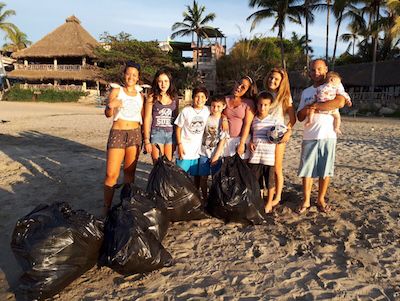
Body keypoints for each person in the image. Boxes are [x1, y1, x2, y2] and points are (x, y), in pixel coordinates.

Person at [297, 59, 346, 214]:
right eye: (313, 70)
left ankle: (320, 199)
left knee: (325, 170)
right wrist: (308, 108)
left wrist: (315, 106)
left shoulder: (334, 84)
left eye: (319, 69)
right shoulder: (306, 92)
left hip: (328, 134)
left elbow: (339, 102)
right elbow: (299, 116)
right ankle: (306, 200)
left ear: (325, 69)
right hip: (309, 135)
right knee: (307, 170)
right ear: (309, 72)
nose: (316, 73)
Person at [103, 61, 144, 212]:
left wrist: (145, 139)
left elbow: (144, 117)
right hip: (118, 133)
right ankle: (106, 207)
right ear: (124, 75)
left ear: (138, 77)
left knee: (129, 173)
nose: (131, 77)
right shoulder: (117, 91)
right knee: (111, 174)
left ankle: (125, 205)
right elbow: (108, 114)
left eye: (134, 75)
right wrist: (110, 106)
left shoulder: (141, 96)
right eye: (128, 74)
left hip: (135, 134)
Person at [264, 67, 296, 212]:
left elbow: (292, 118)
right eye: (271, 77)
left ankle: (278, 196)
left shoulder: (285, 97)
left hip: (278, 135)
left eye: (276, 79)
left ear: (282, 82)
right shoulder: (263, 95)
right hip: (262, 134)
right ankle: (266, 191)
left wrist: (288, 131)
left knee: (277, 167)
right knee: (264, 166)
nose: (273, 80)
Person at [174, 86, 210, 189]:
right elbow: (178, 128)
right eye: (197, 96)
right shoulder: (186, 111)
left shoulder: (207, 110)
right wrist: (179, 145)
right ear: (193, 98)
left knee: (196, 176)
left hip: (199, 150)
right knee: (181, 175)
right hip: (185, 148)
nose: (200, 99)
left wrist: (224, 119)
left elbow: (219, 112)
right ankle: (180, 196)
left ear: (206, 98)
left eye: (202, 97)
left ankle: (195, 195)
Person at [247, 91, 277, 213]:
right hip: (255, 156)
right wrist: (250, 142)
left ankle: (269, 202)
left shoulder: (274, 121)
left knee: (269, 182)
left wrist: (278, 136)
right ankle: (259, 201)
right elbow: (250, 133)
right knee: (256, 181)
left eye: (265, 105)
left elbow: (282, 134)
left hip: (269, 157)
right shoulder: (253, 120)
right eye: (260, 104)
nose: (262, 107)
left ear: (270, 105)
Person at [198, 95, 229, 200]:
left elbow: (223, 140)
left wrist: (216, 156)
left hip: (217, 154)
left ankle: (214, 198)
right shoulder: (206, 117)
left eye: (218, 106)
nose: (215, 109)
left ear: (224, 106)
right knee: (203, 177)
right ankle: (205, 198)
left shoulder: (223, 121)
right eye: (213, 106)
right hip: (203, 153)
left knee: (216, 178)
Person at [143, 69, 178, 162]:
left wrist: (178, 139)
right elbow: (147, 119)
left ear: (170, 82)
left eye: (166, 81)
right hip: (157, 133)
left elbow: (177, 119)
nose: (163, 84)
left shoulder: (174, 98)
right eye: (160, 81)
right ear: (156, 82)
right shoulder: (152, 97)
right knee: (158, 164)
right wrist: (146, 140)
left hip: (171, 134)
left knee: (168, 164)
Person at [226, 76, 258, 159]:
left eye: (243, 87)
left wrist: (242, 143)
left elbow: (247, 124)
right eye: (238, 83)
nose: (239, 87)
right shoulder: (225, 99)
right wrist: (223, 118)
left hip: (240, 140)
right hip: (225, 140)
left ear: (248, 90)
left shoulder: (248, 103)